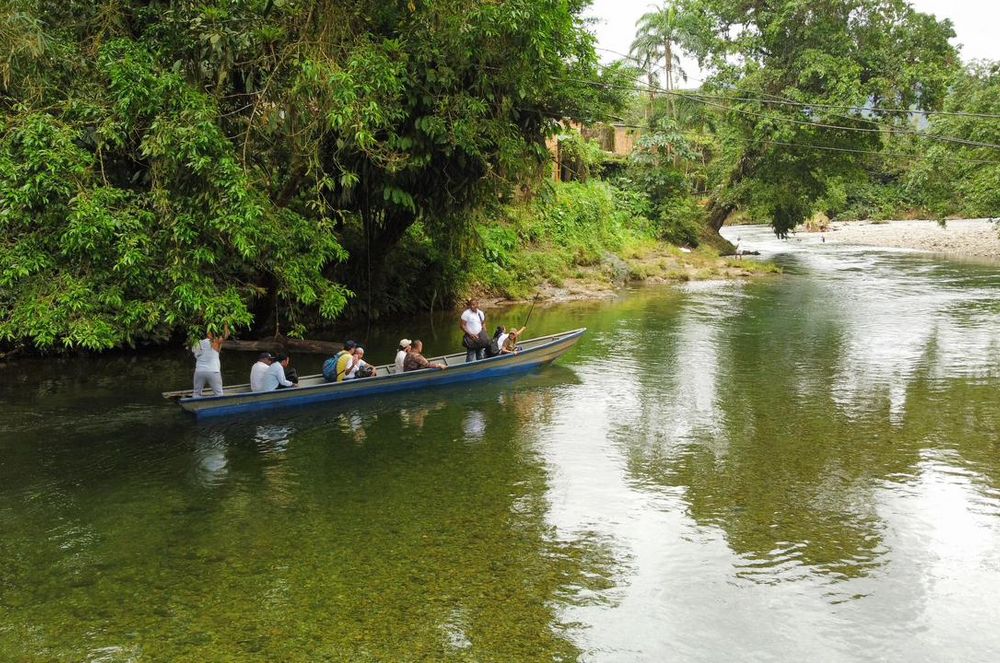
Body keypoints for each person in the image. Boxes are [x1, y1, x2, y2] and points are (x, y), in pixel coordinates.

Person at [192, 322, 230, 397]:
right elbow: (226, 335)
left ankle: (196, 405)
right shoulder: (215, 342)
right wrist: (226, 324)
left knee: (196, 393)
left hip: (199, 371)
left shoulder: (196, 343)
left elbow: (195, 354)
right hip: (213, 371)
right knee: (219, 394)